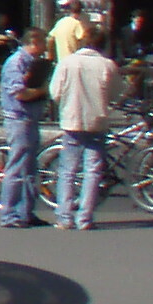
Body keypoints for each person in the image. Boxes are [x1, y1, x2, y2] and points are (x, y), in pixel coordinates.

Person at [48, 28, 116, 231]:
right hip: (97, 122)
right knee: (92, 172)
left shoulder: (67, 63)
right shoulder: (107, 65)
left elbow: (55, 92)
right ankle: (85, 218)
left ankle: (64, 217)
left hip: (72, 120)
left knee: (68, 170)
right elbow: (114, 94)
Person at [0, 30, 51, 229]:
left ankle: (26, 212)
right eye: (44, 42)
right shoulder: (16, 62)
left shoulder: (33, 62)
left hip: (30, 118)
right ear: (34, 42)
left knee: (29, 168)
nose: (46, 46)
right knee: (17, 167)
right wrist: (42, 91)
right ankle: (10, 214)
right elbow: (20, 93)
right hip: (19, 119)